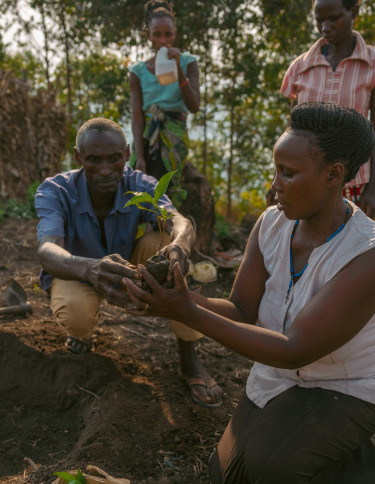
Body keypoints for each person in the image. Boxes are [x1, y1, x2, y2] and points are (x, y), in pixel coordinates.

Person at [123, 103, 375, 483]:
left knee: (273, 466)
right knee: (225, 475)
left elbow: (295, 349)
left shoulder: (365, 253)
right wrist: (172, 298)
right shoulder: (273, 224)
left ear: (333, 174)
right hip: (280, 377)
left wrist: (188, 312)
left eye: (288, 174)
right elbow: (241, 308)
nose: (275, 185)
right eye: (276, 170)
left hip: (346, 386)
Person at [35, 117, 222, 408]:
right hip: (79, 272)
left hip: (128, 268)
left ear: (126, 154)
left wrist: (181, 246)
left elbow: (178, 221)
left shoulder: (139, 185)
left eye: (114, 159)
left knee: (164, 248)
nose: (106, 170)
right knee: (76, 313)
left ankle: (188, 357)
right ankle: (82, 336)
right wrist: (90, 268)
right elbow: (47, 250)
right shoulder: (57, 191)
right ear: (78, 157)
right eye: (94, 160)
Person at [281, 0, 375, 217]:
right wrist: (281, 178)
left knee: (354, 249)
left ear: (353, 12)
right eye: (319, 20)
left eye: (333, 18)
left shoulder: (372, 63)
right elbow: (293, 131)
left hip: (356, 183)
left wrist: (373, 187)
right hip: (307, 184)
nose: (325, 27)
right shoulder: (300, 67)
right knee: (310, 246)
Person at [129, 0, 200, 206]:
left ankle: (167, 232)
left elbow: (193, 105)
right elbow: (137, 115)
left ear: (175, 33)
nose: (162, 40)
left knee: (166, 190)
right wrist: (139, 156)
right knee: (139, 188)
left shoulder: (189, 63)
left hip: (173, 135)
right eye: (156, 35)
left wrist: (177, 68)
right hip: (146, 137)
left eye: (167, 34)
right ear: (148, 36)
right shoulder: (138, 72)